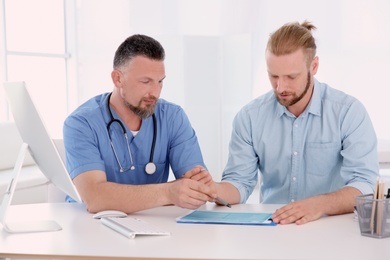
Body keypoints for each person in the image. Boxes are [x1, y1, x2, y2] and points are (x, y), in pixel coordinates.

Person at [213, 21, 379, 224]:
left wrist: (319, 204)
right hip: (274, 228)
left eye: (291, 77)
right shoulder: (249, 118)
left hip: (330, 228)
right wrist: (211, 190)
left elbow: (365, 186)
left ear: (314, 66)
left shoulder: (348, 113)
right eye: (273, 76)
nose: (280, 87)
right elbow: (239, 183)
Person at [63, 34, 217, 213]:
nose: (155, 92)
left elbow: (196, 189)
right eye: (146, 82)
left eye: (160, 82)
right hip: (90, 226)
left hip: (151, 223)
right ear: (118, 79)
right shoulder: (81, 123)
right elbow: (96, 199)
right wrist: (169, 192)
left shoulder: (172, 117)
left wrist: (189, 190)